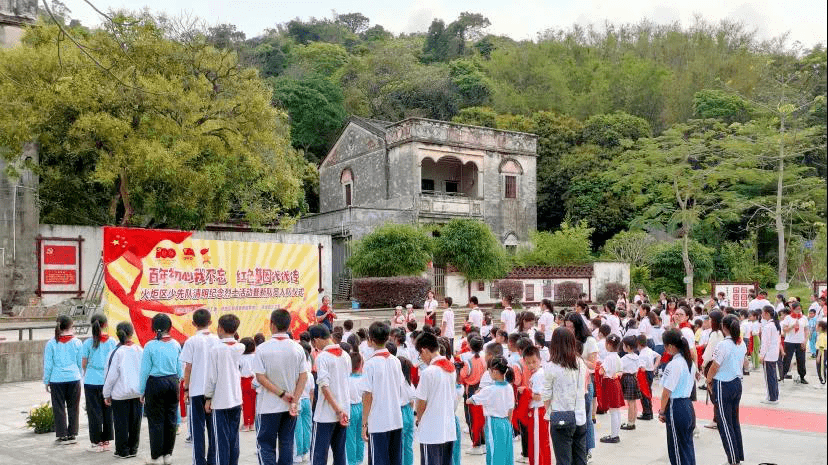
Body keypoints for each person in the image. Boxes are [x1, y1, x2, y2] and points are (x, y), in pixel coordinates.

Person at [254, 309, 311, 465]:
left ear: (272, 325)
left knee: (265, 444)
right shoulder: (297, 348)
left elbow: (260, 377)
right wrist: (294, 400)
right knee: (287, 443)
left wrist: (281, 394)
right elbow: (303, 376)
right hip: (290, 406)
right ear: (289, 325)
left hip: (268, 407)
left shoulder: (262, 349)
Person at [139, 313, 183, 465]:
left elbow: (144, 371)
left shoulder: (150, 346)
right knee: (171, 420)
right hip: (172, 382)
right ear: (169, 327)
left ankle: (156, 457)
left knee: (156, 420)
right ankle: (167, 455)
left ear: (154, 327)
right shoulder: (176, 344)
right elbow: (180, 369)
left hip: (155, 383)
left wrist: (141, 391)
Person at [180, 308, 220, 465]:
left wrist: (186, 389)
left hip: (196, 391)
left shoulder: (191, 342)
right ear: (210, 322)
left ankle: (199, 461)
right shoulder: (217, 340)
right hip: (214, 392)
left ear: (193, 323)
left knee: (198, 429)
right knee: (213, 428)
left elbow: (187, 368)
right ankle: (212, 460)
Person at [360, 322, 404, 465]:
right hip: (396, 419)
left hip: (378, 422)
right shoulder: (396, 361)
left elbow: (367, 396)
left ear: (371, 340)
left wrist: (364, 423)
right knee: (394, 460)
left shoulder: (370, 364)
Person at [204, 314, 245, 465]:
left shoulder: (216, 350)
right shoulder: (241, 347)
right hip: (236, 398)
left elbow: (211, 378)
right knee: (234, 438)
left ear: (220, 328)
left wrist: (208, 397)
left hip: (220, 400)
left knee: (221, 440)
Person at [706, 314, 746, 465]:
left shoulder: (723, 344)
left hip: (724, 384)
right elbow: (744, 363)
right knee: (734, 421)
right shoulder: (740, 343)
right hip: (737, 382)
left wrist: (708, 380)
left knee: (724, 422)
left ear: (724, 327)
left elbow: (715, 366)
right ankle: (738, 455)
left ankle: (733, 459)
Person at [309, 324, 352, 465]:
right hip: (344, 410)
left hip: (326, 414)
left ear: (316, 340)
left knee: (319, 455)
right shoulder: (346, 355)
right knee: (340, 453)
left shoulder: (322, 358)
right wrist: (341, 410)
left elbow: (324, 387)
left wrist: (337, 410)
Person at [543, 328, 587, 465]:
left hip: (560, 415)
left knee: (563, 460)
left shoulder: (551, 366)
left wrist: (548, 412)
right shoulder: (579, 362)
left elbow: (546, 394)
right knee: (580, 458)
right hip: (579, 415)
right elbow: (584, 388)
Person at [414, 332, 457, 465]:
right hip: (448, 427)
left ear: (424, 350)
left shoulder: (428, 372)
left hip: (431, 430)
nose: (422, 358)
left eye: (420, 355)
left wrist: (419, 419)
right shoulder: (451, 368)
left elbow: (421, 402)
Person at [103, 322, 143, 459]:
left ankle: (122, 450)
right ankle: (133, 449)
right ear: (132, 333)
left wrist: (106, 393)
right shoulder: (140, 350)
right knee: (135, 423)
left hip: (120, 394)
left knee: (121, 424)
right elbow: (145, 372)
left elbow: (110, 376)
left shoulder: (116, 352)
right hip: (137, 393)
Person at [658, 329, 697, 465]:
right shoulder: (689, 362)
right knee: (687, 447)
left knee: (677, 450)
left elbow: (666, 392)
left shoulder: (674, 364)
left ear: (670, 346)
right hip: (687, 405)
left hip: (676, 406)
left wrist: (662, 411)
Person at [467, 356, 515, 465]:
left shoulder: (489, 390)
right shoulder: (509, 387)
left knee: (494, 454)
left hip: (494, 422)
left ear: (494, 371)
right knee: (506, 453)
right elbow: (510, 409)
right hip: (506, 423)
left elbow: (470, 401)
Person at [563, 312, 598, 460]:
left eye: (571, 327)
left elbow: (593, 365)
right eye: (566, 327)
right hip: (569, 383)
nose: (569, 330)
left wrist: (578, 359)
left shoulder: (589, 340)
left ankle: (588, 449)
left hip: (585, 382)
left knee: (586, 418)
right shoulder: (566, 339)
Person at [44, 314, 83, 446]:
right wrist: (80, 376)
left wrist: (46, 380)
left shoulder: (51, 343)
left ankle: (62, 434)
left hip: (57, 379)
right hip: (74, 378)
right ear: (71, 326)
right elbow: (79, 363)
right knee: (74, 407)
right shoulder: (77, 342)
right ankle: (73, 433)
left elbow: (48, 364)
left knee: (59, 407)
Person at [82, 313, 117, 452]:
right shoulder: (112, 341)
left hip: (91, 380)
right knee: (107, 411)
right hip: (107, 380)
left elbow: (84, 363)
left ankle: (96, 442)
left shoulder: (88, 342)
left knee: (94, 412)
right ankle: (106, 441)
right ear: (105, 324)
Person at [458, 335, 486, 455]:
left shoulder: (468, 360)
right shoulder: (484, 358)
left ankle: (476, 444)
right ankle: (483, 442)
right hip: (481, 387)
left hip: (471, 390)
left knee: (471, 418)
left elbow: (463, 375)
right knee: (481, 416)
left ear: (470, 346)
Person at [522, 346, 550, 465]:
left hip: (538, 411)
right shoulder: (537, 373)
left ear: (540, 359)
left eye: (534, 361)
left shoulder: (539, 375)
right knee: (539, 442)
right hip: (538, 412)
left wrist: (525, 391)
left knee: (538, 443)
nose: (531, 365)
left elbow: (539, 396)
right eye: (528, 363)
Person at [700, 310, 725, 428]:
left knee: (714, 394)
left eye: (710, 319)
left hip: (712, 364)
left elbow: (710, 352)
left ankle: (716, 419)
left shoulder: (715, 334)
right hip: (721, 366)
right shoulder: (723, 333)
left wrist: (704, 363)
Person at [598, 334, 624, 444]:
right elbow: (621, 372)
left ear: (608, 345)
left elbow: (601, 371)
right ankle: (616, 434)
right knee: (616, 410)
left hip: (610, 383)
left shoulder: (608, 358)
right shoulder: (617, 357)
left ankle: (614, 435)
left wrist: (598, 367)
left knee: (613, 411)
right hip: (616, 383)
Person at [780, 301, 809, 384]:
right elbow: (785, 329)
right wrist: (791, 326)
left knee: (801, 359)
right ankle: (782, 375)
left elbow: (806, 330)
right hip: (790, 341)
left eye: (799, 309)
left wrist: (805, 340)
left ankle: (802, 376)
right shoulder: (788, 318)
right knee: (787, 359)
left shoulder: (804, 318)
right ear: (792, 309)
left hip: (800, 341)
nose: (798, 311)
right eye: (796, 309)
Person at [295, 341, 314, 463]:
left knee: (298, 429)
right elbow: (312, 391)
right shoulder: (310, 375)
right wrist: (311, 405)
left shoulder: (296, 374)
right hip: (307, 401)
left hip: (299, 401)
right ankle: (306, 452)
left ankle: (299, 453)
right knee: (307, 428)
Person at [759, 306, 781, 403]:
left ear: (767, 313)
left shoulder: (768, 326)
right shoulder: (776, 324)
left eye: (763, 313)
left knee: (769, 377)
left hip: (768, 354)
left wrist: (762, 355)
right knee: (773, 376)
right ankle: (774, 396)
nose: (762, 315)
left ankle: (772, 398)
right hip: (774, 353)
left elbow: (765, 343)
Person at [346, 352, 365, 465]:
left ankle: (351, 461)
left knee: (350, 437)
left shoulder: (346, 380)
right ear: (361, 364)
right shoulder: (364, 378)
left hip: (350, 408)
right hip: (361, 407)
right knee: (359, 435)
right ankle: (359, 459)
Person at [619, 336, 640, 430]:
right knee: (634, 402)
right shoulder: (637, 357)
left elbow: (620, 369)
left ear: (627, 346)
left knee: (630, 403)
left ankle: (630, 423)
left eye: (623, 345)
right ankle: (633, 421)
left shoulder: (625, 358)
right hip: (634, 378)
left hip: (627, 378)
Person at [398, 358, 416, 465]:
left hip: (401, 412)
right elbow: (412, 401)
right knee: (408, 444)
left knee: (400, 445)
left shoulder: (398, 383)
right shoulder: (409, 383)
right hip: (409, 412)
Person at [636, 335, 658, 420]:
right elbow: (658, 356)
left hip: (644, 374)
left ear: (638, 344)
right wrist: (654, 366)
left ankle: (647, 413)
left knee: (644, 393)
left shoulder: (642, 354)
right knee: (648, 392)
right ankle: (649, 411)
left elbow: (642, 368)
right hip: (650, 372)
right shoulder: (649, 350)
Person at [239, 337, 257, 432]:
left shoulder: (240, 358)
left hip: (244, 381)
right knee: (253, 403)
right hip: (254, 380)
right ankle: (252, 424)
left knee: (246, 404)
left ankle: (246, 424)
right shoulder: (255, 356)